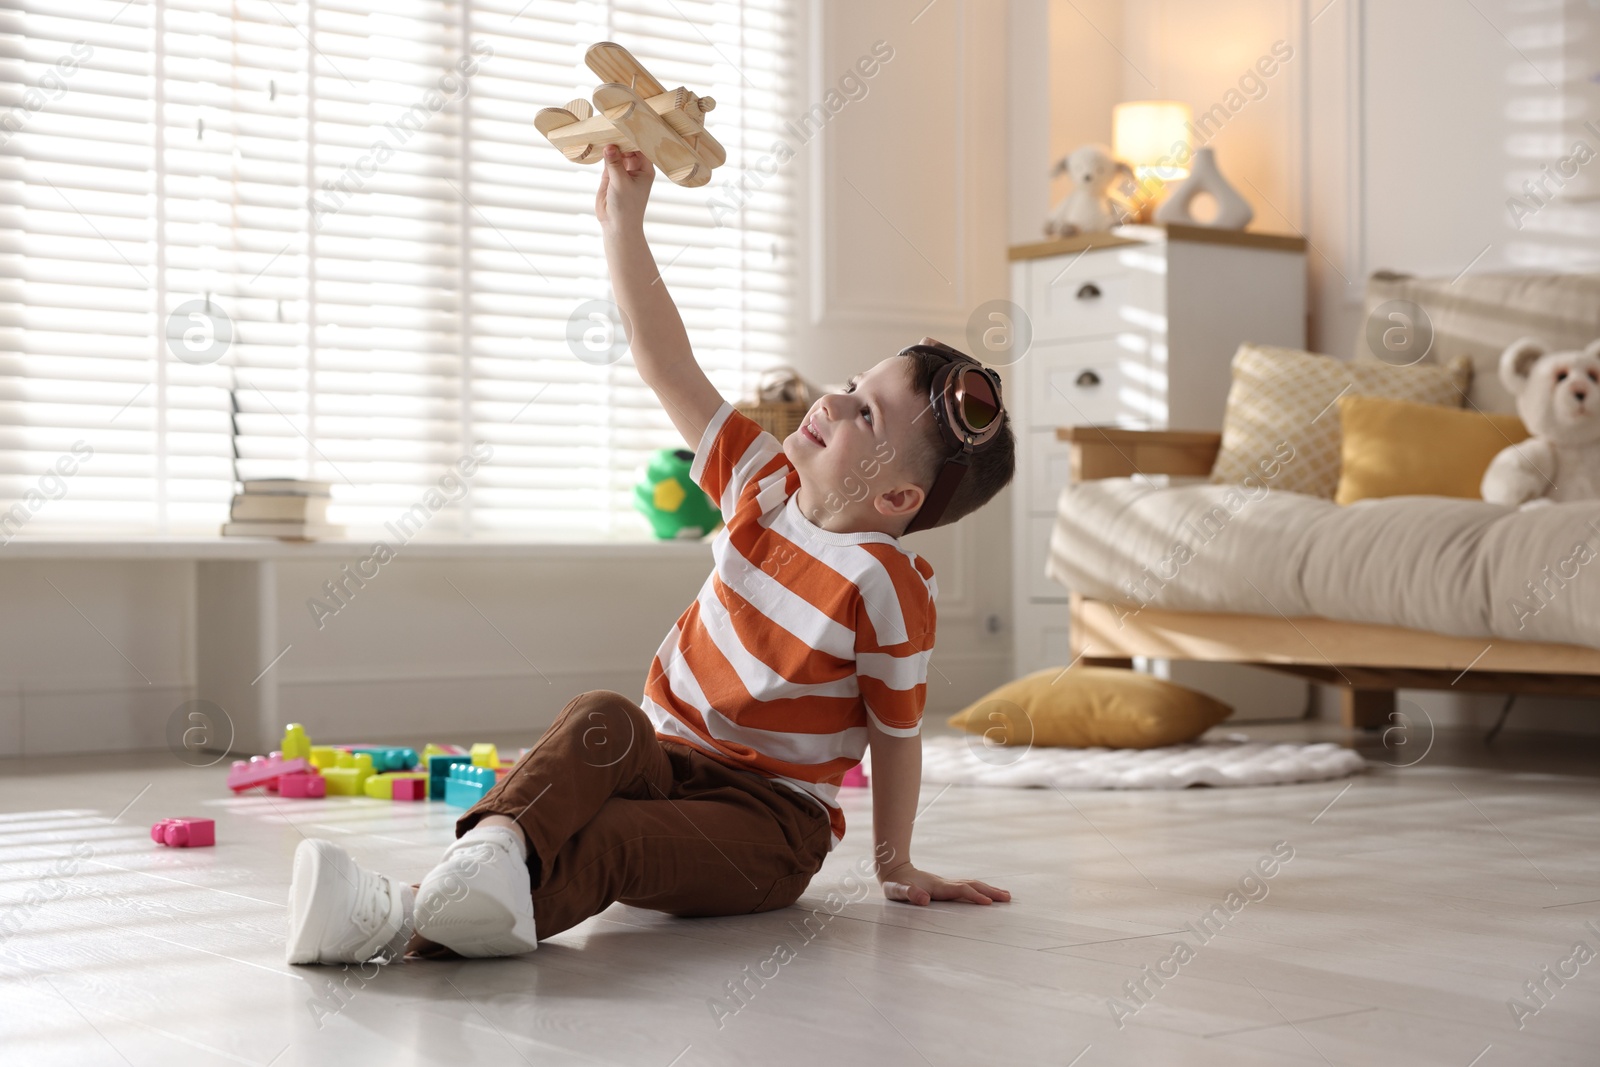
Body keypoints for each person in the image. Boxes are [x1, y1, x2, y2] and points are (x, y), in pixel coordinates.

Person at [285, 145, 1017, 967]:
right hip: (663, 759)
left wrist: (895, 865)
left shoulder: (884, 585)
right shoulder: (762, 484)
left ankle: (394, 917)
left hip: (766, 829)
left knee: (613, 838)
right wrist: (623, 223)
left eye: (869, 418)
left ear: (896, 500)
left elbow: (897, 734)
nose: (835, 397)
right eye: (853, 380)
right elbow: (665, 359)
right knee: (600, 715)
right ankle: (485, 857)